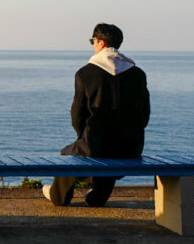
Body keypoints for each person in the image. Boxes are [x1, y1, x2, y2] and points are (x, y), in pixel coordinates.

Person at [43, 23, 150, 208]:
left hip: (96, 143)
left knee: (70, 153)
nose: (93, 44)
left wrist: (82, 135)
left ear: (100, 42)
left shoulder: (86, 73)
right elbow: (145, 113)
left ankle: (58, 196)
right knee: (110, 150)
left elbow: (77, 114)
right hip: (131, 146)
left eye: (93, 41)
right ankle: (97, 196)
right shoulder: (137, 73)